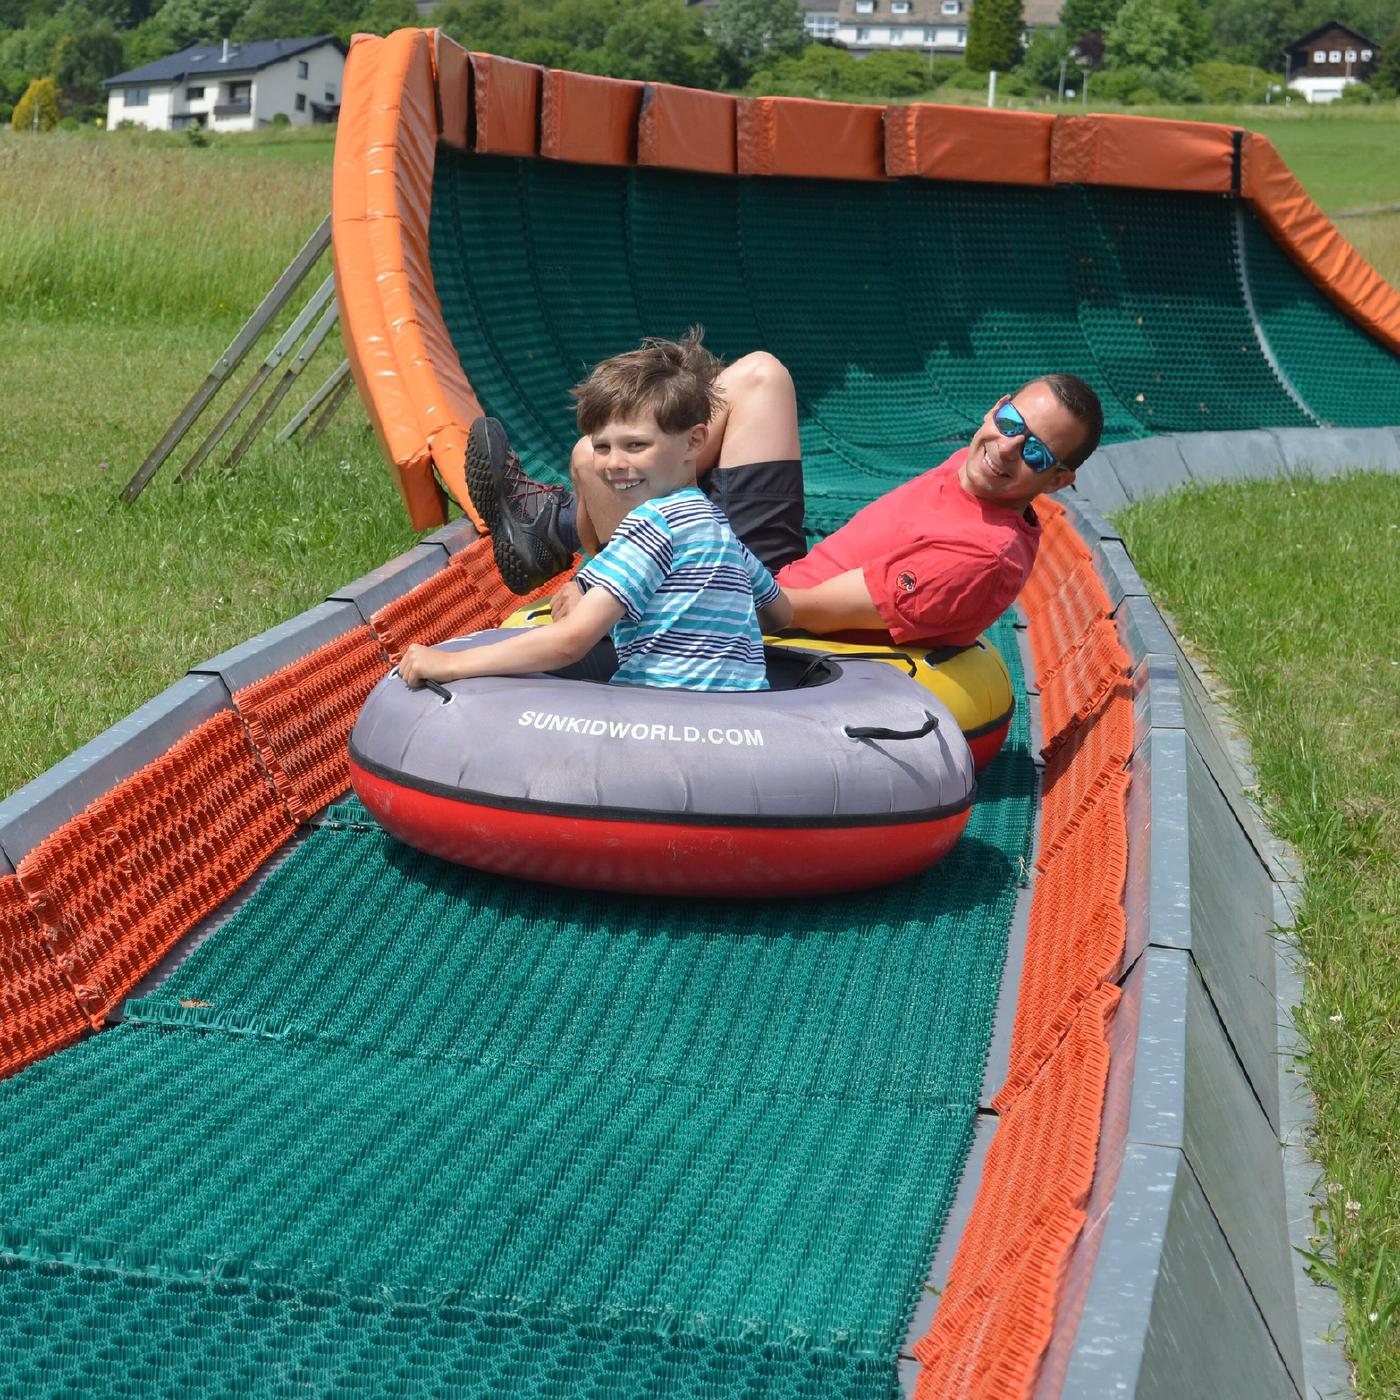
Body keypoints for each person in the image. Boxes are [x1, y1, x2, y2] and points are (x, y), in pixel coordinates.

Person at [468, 352, 1103, 651]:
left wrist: (610, 584)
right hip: (775, 562)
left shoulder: (978, 557)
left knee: (593, 463)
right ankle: (555, 529)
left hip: (750, 598)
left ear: (1055, 482)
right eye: (1011, 418)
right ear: (997, 406)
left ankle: (562, 530)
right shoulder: (985, 468)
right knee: (760, 377)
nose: (1007, 447)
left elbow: (787, 613)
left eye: (1038, 454)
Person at [399, 331, 792, 693]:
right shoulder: (719, 527)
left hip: (662, 718)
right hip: (740, 713)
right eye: (602, 447)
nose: (613, 464)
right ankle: (551, 524)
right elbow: (779, 613)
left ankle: (552, 525)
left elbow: (571, 642)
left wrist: (451, 664)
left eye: (635, 446)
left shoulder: (650, 528)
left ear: (695, 442)